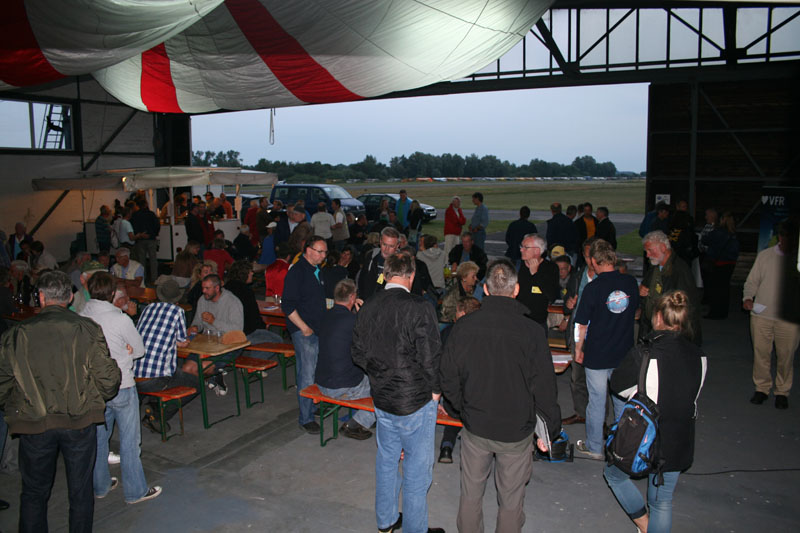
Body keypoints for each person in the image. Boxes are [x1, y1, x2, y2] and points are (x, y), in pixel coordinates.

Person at [440, 259, 560, 532]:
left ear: (485, 289)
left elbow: (447, 374)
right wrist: (549, 429)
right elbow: (545, 386)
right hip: (516, 429)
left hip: (476, 424)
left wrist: (461, 407)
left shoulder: (464, 326)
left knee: (471, 494)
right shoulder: (532, 332)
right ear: (516, 290)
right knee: (511, 500)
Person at [0, 271, 121, 532]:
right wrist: (92, 398)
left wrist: (18, 405)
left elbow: (3, 381)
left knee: (33, 492)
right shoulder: (86, 329)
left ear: (41, 297)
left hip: (34, 422)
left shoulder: (18, 333)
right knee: (80, 491)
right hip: (79, 420)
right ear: (69, 298)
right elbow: (108, 380)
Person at [351, 253, 444, 533]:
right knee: (417, 471)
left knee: (387, 461)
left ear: (386, 274)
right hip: (415, 400)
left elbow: (357, 351)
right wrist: (436, 390)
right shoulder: (419, 306)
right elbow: (431, 356)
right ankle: (415, 529)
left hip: (383, 397)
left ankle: (387, 521)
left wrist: (380, 372)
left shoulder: (369, 304)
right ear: (411, 276)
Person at [605, 290, 707, 533]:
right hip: (679, 437)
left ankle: (644, 525)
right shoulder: (700, 355)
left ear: (658, 317)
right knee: (661, 500)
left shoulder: (644, 353)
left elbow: (618, 386)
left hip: (642, 433)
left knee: (614, 475)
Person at [79, 272, 161, 504]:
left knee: (99, 438)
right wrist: (126, 352)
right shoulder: (120, 319)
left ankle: (101, 485)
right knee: (129, 441)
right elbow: (139, 350)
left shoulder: (81, 315)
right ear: (112, 292)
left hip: (94, 386)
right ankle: (135, 491)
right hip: (121, 384)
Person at [573, 239, 639, 460]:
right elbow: (635, 312)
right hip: (623, 353)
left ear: (593, 261)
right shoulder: (630, 283)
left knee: (597, 401)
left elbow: (582, 323)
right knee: (622, 401)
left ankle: (594, 447)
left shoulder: (593, 288)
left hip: (597, 354)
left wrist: (578, 349)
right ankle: (621, 445)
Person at [743, 220, 800, 409]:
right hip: (762, 316)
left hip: (789, 319)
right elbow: (752, 281)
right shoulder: (765, 256)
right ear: (780, 237)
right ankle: (762, 388)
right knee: (761, 354)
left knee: (786, 356)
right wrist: (747, 297)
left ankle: (782, 391)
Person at [135, 277, 198, 432]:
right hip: (156, 378)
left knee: (170, 371)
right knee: (196, 384)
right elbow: (182, 341)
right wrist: (181, 341)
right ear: (177, 298)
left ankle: (153, 403)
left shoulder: (148, 308)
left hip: (133, 373)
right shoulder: (177, 312)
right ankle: (157, 413)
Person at [316, 279, 375, 440]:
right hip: (340, 387)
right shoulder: (353, 321)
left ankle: (365, 414)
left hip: (322, 381)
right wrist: (363, 315)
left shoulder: (326, 316)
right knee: (385, 389)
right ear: (352, 297)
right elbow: (370, 344)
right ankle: (355, 423)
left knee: (365, 378)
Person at [282, 236, 328, 434]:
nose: (323, 256)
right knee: (307, 374)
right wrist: (304, 328)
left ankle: (312, 405)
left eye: (325, 252)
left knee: (314, 371)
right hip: (304, 331)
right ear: (308, 250)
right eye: (320, 251)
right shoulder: (297, 272)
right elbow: (287, 305)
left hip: (317, 328)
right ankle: (306, 418)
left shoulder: (316, 270)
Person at [560, 237, 599, 426]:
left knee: (598, 379)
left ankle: (598, 418)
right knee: (577, 377)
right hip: (578, 333)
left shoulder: (605, 276)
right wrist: (568, 305)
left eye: (593, 254)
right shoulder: (578, 276)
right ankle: (580, 412)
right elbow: (567, 303)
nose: (590, 259)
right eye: (587, 254)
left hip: (598, 334)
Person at [437, 295, 481, 464]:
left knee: (455, 404)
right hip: (477, 393)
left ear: (462, 313)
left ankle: (447, 446)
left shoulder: (450, 332)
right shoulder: (484, 334)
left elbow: (439, 365)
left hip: (451, 391)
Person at [185, 273, 244, 395]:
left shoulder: (232, 302)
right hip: (207, 343)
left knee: (203, 366)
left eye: (207, 288)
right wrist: (195, 327)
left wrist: (214, 321)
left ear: (217, 288)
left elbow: (237, 330)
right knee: (187, 369)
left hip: (228, 344)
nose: (204, 291)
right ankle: (212, 378)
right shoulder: (203, 300)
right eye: (203, 288)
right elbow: (198, 322)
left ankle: (214, 375)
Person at [640, 231, 702, 346]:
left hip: (671, 335)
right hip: (655, 330)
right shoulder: (655, 267)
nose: (647, 255)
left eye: (650, 250)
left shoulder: (680, 270)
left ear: (663, 247)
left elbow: (687, 308)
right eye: (646, 251)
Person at [515, 233, 559, 331]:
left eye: (526, 247)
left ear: (537, 251)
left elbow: (552, 295)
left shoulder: (550, 268)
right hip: (517, 321)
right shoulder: (517, 267)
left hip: (538, 323)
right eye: (521, 246)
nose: (521, 250)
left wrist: (536, 274)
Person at [701, 211, 739, 319]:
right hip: (730, 263)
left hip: (718, 263)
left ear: (722, 220)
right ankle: (723, 311)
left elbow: (705, 240)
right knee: (725, 288)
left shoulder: (718, 232)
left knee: (715, 288)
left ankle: (715, 312)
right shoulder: (733, 234)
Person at [358, 226, 400, 301]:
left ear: (397, 246)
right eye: (384, 244)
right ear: (380, 241)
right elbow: (362, 278)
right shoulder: (371, 256)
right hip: (367, 301)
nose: (386, 249)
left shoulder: (402, 264)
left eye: (391, 246)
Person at [130, 198, 161, 284]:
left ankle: (142, 278)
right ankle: (154, 278)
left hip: (140, 239)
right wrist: (154, 234)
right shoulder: (151, 214)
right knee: (153, 260)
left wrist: (139, 234)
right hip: (151, 238)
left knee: (141, 260)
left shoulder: (135, 215)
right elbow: (157, 225)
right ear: (146, 204)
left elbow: (133, 226)